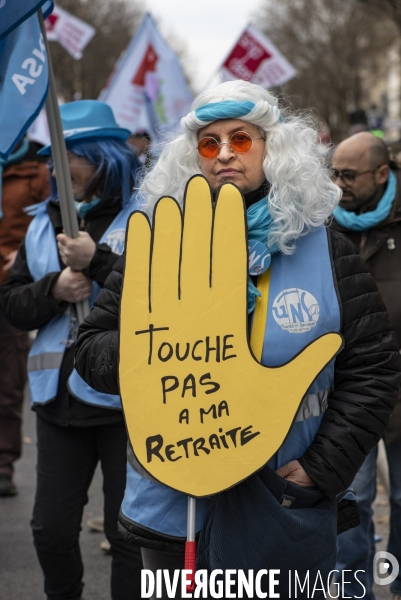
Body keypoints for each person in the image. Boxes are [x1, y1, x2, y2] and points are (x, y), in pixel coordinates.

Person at [74, 81, 401, 599]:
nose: (224, 154)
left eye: (241, 139)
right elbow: (90, 351)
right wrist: (155, 346)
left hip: (284, 500)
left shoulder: (325, 247)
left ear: (273, 148)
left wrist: (322, 468)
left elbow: (374, 368)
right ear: (194, 156)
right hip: (173, 501)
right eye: (209, 143)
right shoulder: (159, 242)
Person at [1, 100, 142, 600]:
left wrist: (98, 262)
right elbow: (13, 304)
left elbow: (165, 297)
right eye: (53, 158)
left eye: (67, 156)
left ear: (100, 156)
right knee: (51, 529)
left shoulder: (148, 215)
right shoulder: (43, 221)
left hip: (130, 403)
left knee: (130, 534)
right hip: (59, 401)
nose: (55, 169)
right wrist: (54, 290)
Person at [331, 131, 401, 600]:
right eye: (333, 173)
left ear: (382, 173)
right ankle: (356, 589)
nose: (337, 184)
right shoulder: (323, 224)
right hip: (347, 390)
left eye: (348, 175)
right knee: (350, 502)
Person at [0, 136, 50, 496]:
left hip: (9, 289)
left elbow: (48, 224)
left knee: (7, 383)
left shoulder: (36, 171)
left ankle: (3, 465)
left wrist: (21, 259)